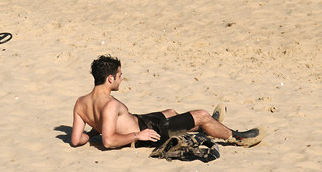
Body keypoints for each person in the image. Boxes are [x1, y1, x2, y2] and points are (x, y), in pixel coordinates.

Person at [71, 55, 265, 149]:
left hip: (141, 121)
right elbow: (109, 141)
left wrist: (92, 133)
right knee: (202, 115)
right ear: (110, 79)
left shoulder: (81, 102)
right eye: (120, 75)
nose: (122, 78)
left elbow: (76, 140)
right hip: (148, 133)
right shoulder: (110, 105)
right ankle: (238, 137)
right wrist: (138, 136)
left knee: (171, 112)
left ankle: (211, 127)